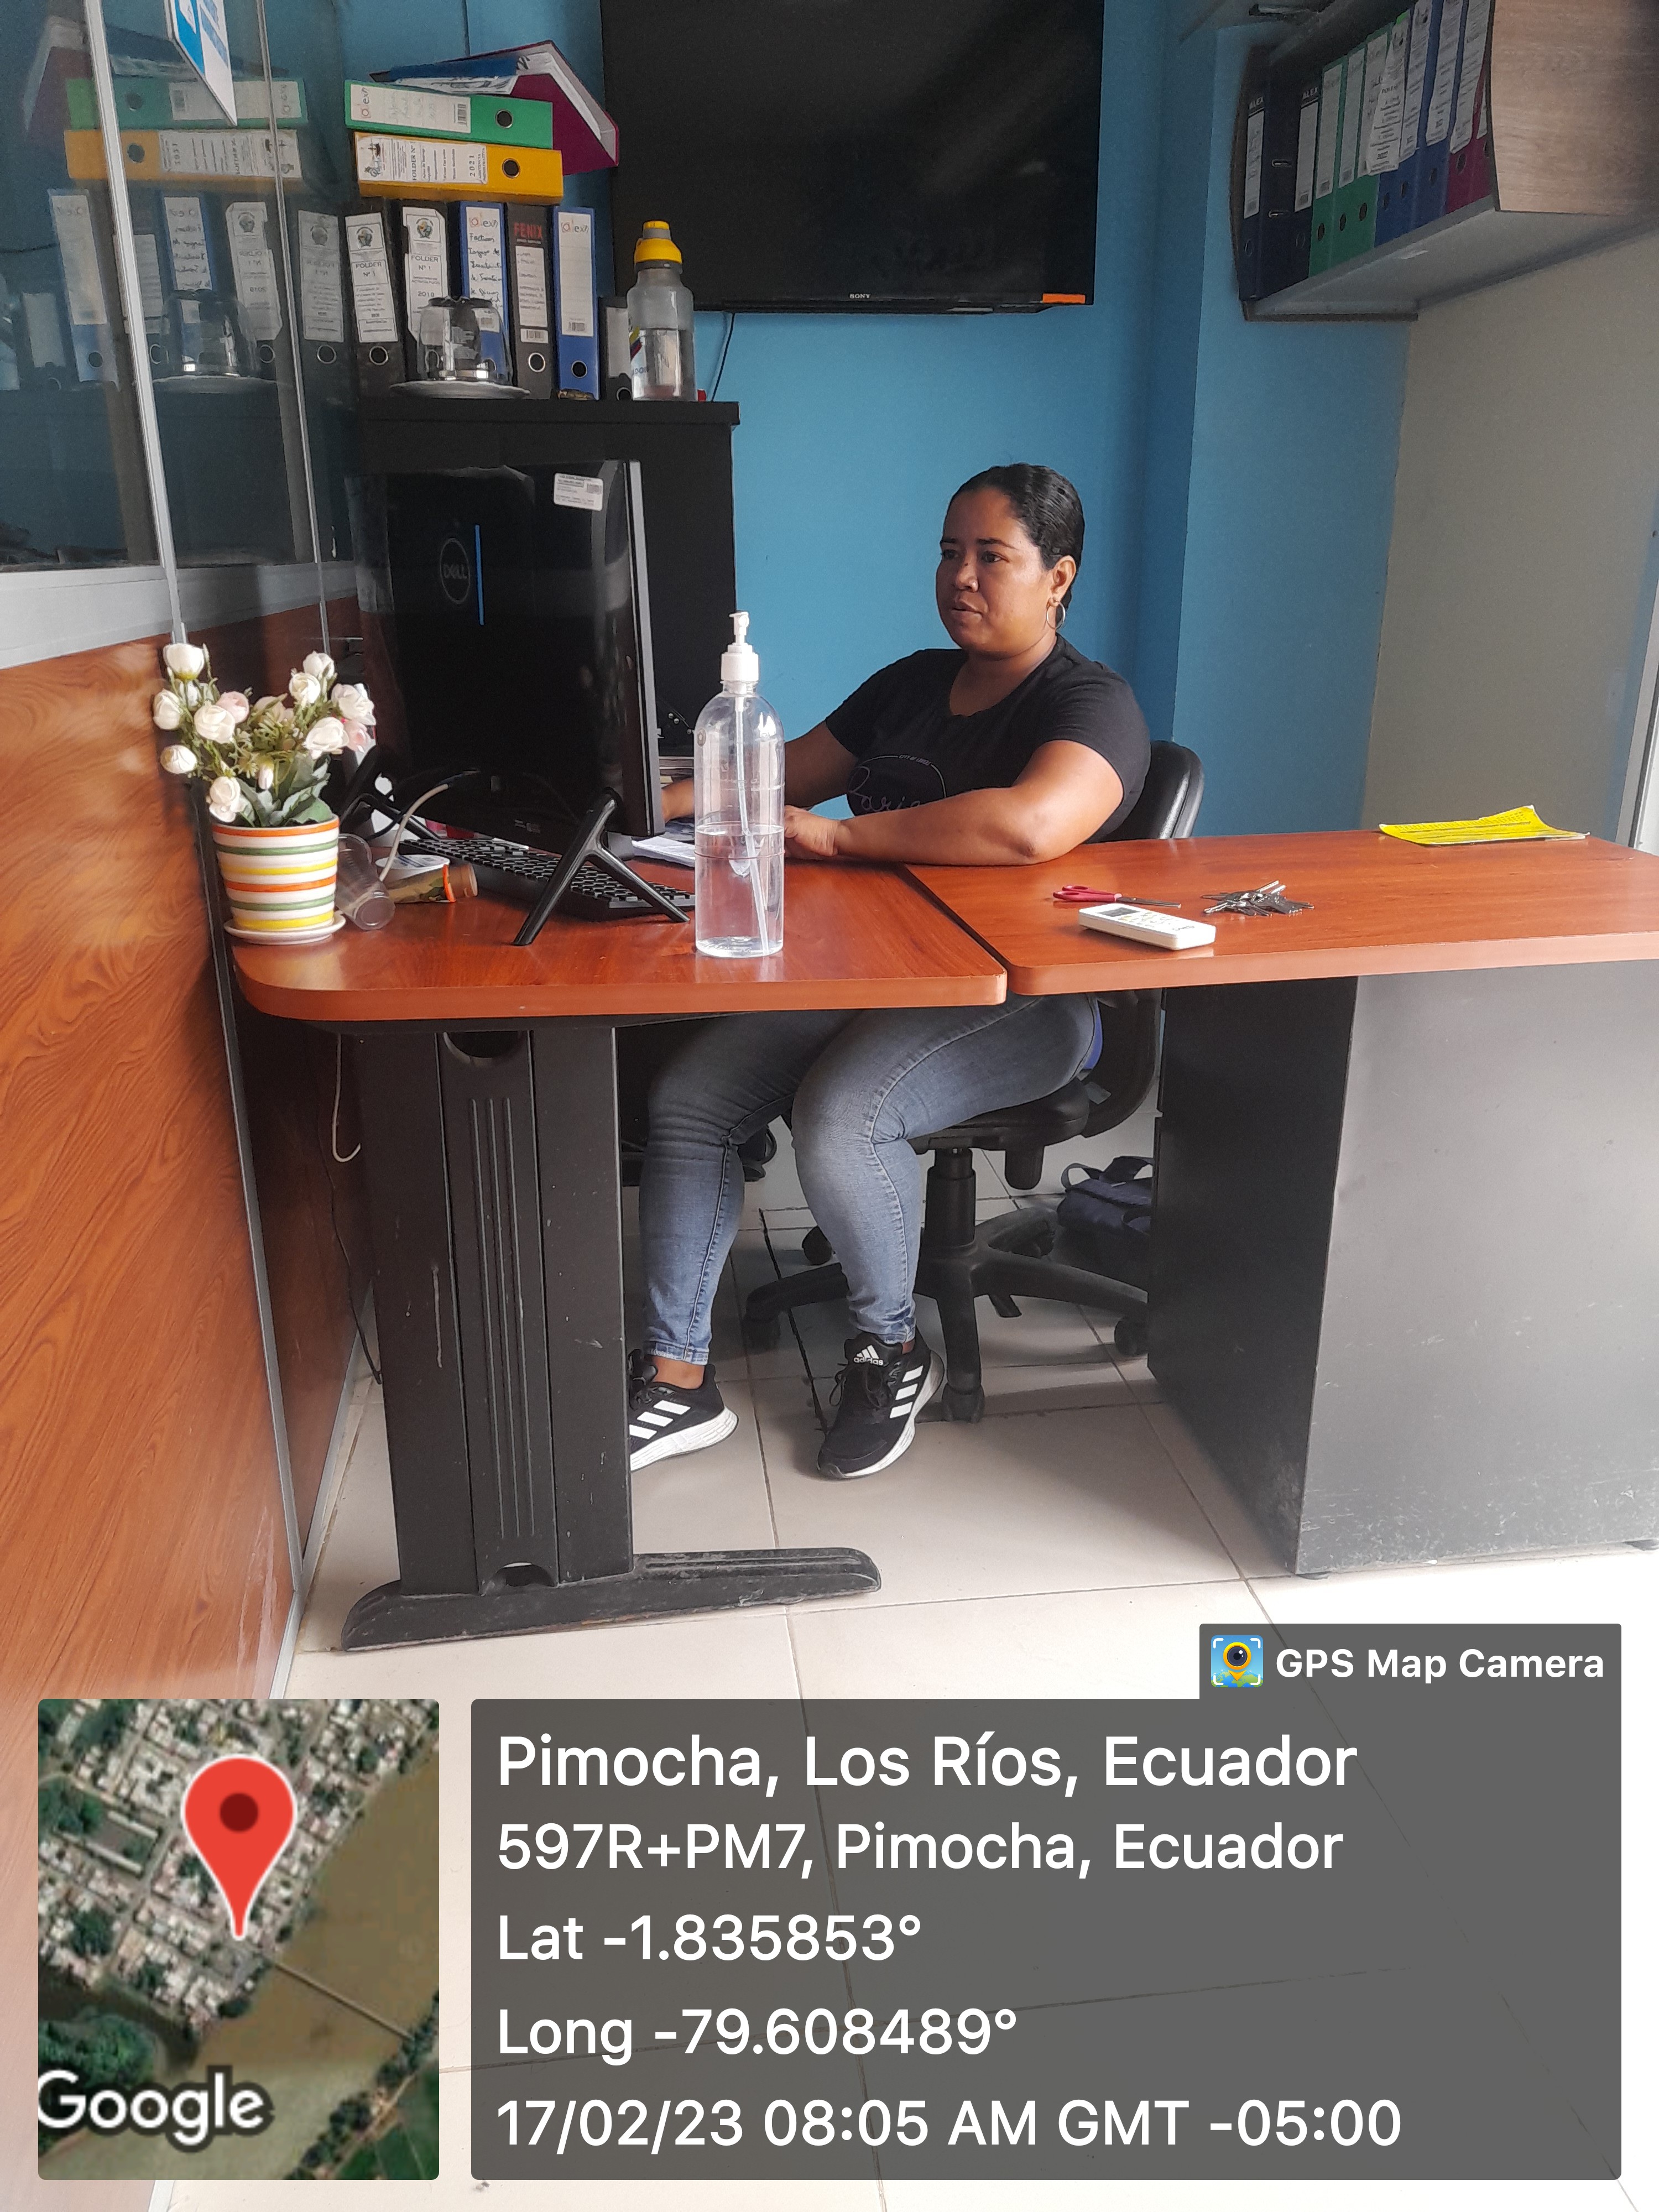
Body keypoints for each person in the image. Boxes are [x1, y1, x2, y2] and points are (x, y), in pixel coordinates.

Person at [629, 463, 1150, 1480]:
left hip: (1022, 1001)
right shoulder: (911, 683)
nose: (961, 576)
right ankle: (677, 1378)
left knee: (840, 1113)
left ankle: (891, 1352)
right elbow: (779, 773)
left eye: (992, 556)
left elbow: (1029, 825)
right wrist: (649, 796)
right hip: (879, 980)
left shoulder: (1092, 704)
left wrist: (836, 840)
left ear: (1058, 577)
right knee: (689, 1102)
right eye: (950, 552)